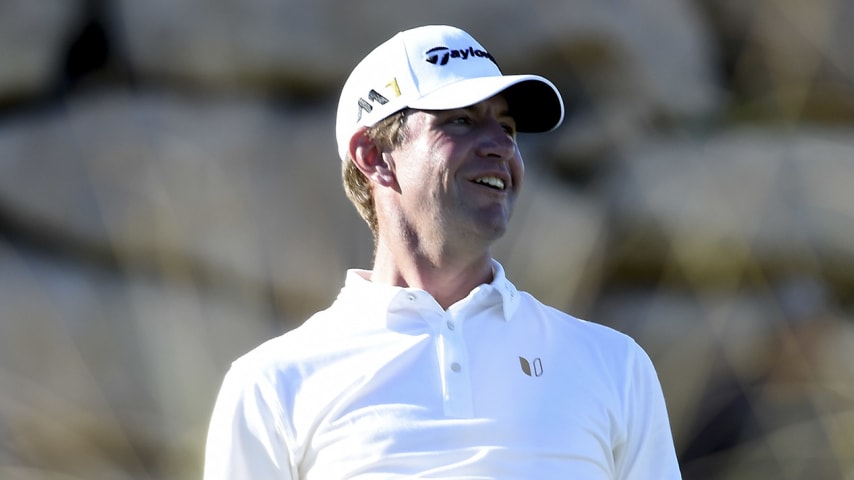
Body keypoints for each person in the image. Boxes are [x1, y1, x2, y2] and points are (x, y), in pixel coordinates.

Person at [203, 24, 682, 479]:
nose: (500, 146)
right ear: (374, 156)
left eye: (509, 128)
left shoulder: (615, 366)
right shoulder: (273, 386)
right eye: (461, 122)